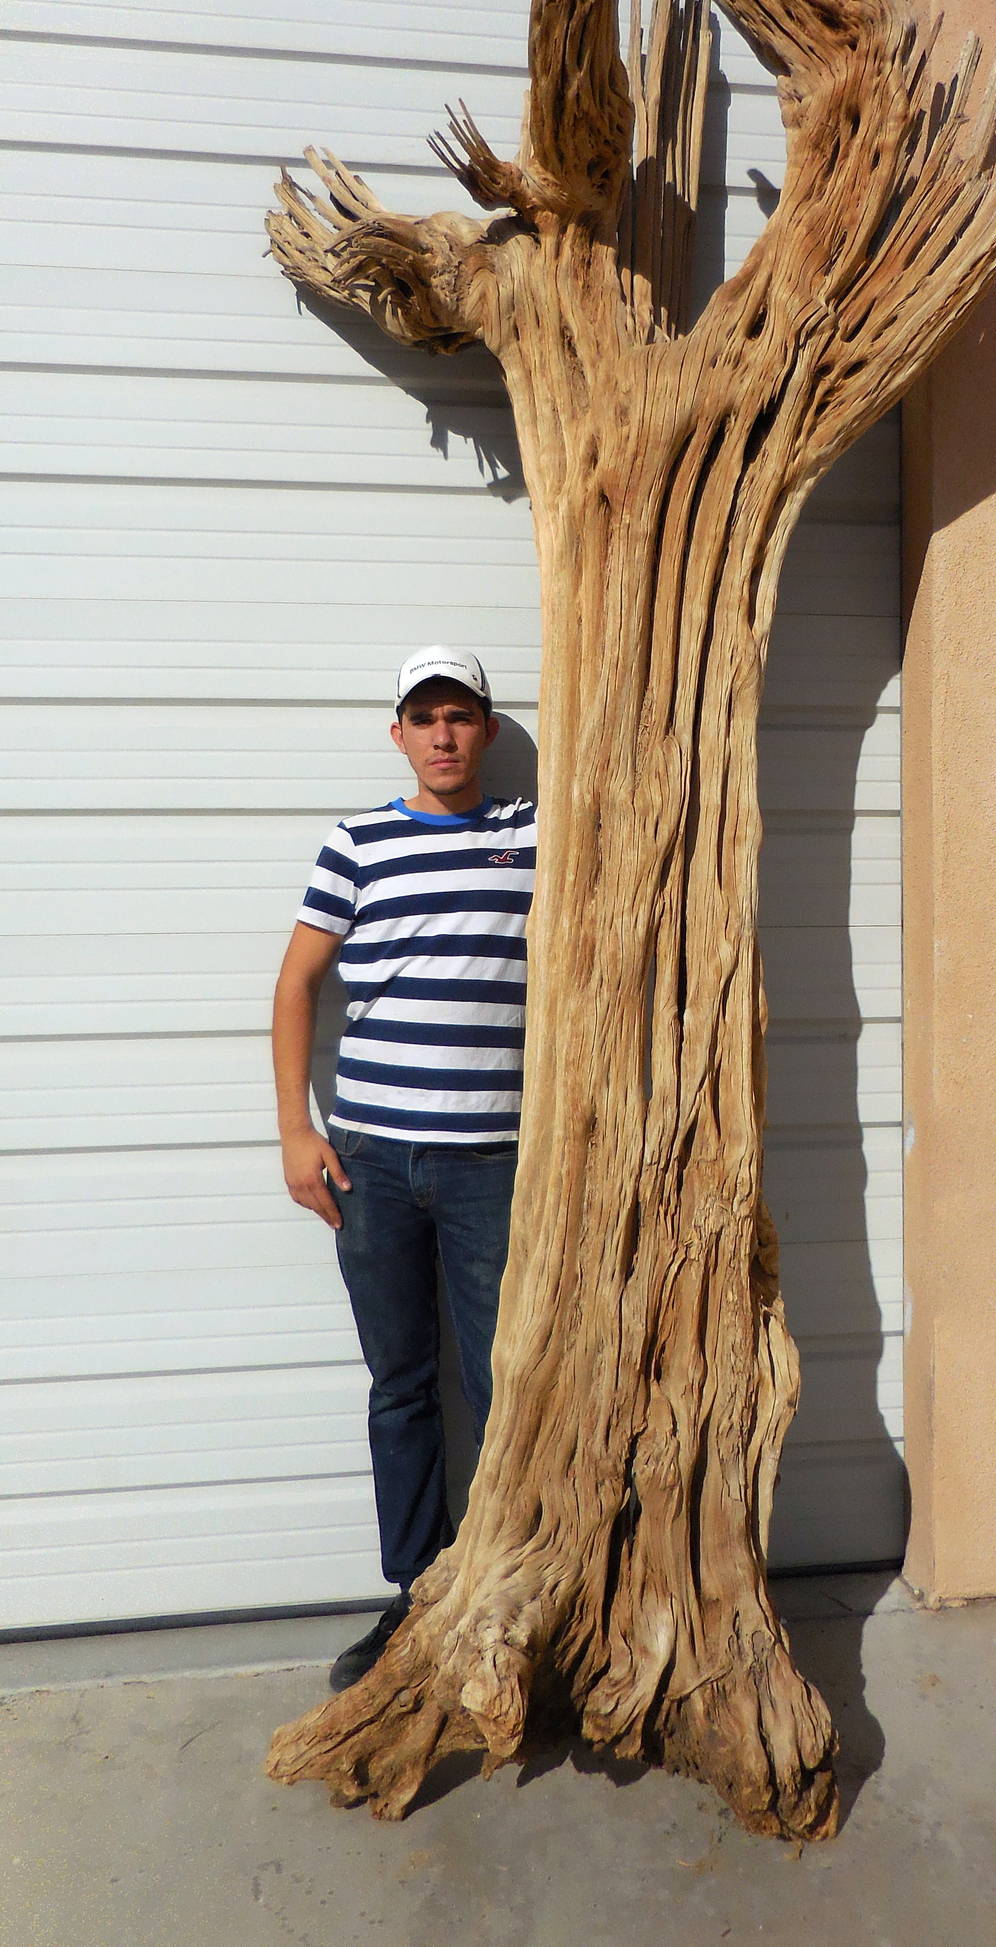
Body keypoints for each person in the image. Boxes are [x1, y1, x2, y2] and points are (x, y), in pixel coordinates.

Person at [272, 645, 535, 1690]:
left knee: (507, 1381)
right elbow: (297, 983)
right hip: (371, 1161)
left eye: (460, 715)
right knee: (403, 1383)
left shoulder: (531, 834)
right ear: (398, 733)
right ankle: (415, 1593)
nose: (442, 734)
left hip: (491, 1163)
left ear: (484, 730)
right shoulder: (357, 843)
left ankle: (509, 1587)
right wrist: (297, 1130)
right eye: (423, 716)